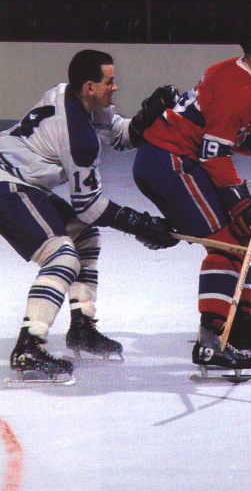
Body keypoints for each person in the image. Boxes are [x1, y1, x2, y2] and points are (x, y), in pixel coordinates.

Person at [132, 14, 251, 375]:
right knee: (230, 241)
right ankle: (211, 343)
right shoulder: (239, 87)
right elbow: (213, 153)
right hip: (167, 160)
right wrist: (247, 209)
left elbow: (224, 130)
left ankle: (240, 326)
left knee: (239, 238)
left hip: (178, 156)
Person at [1, 49, 179, 381]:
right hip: (7, 183)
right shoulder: (78, 138)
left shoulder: (73, 96)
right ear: (90, 87)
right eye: (109, 82)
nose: (116, 87)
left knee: (84, 235)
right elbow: (90, 206)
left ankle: (81, 328)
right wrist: (140, 224)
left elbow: (121, 136)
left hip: (21, 179)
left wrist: (147, 117)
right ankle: (28, 346)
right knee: (62, 258)